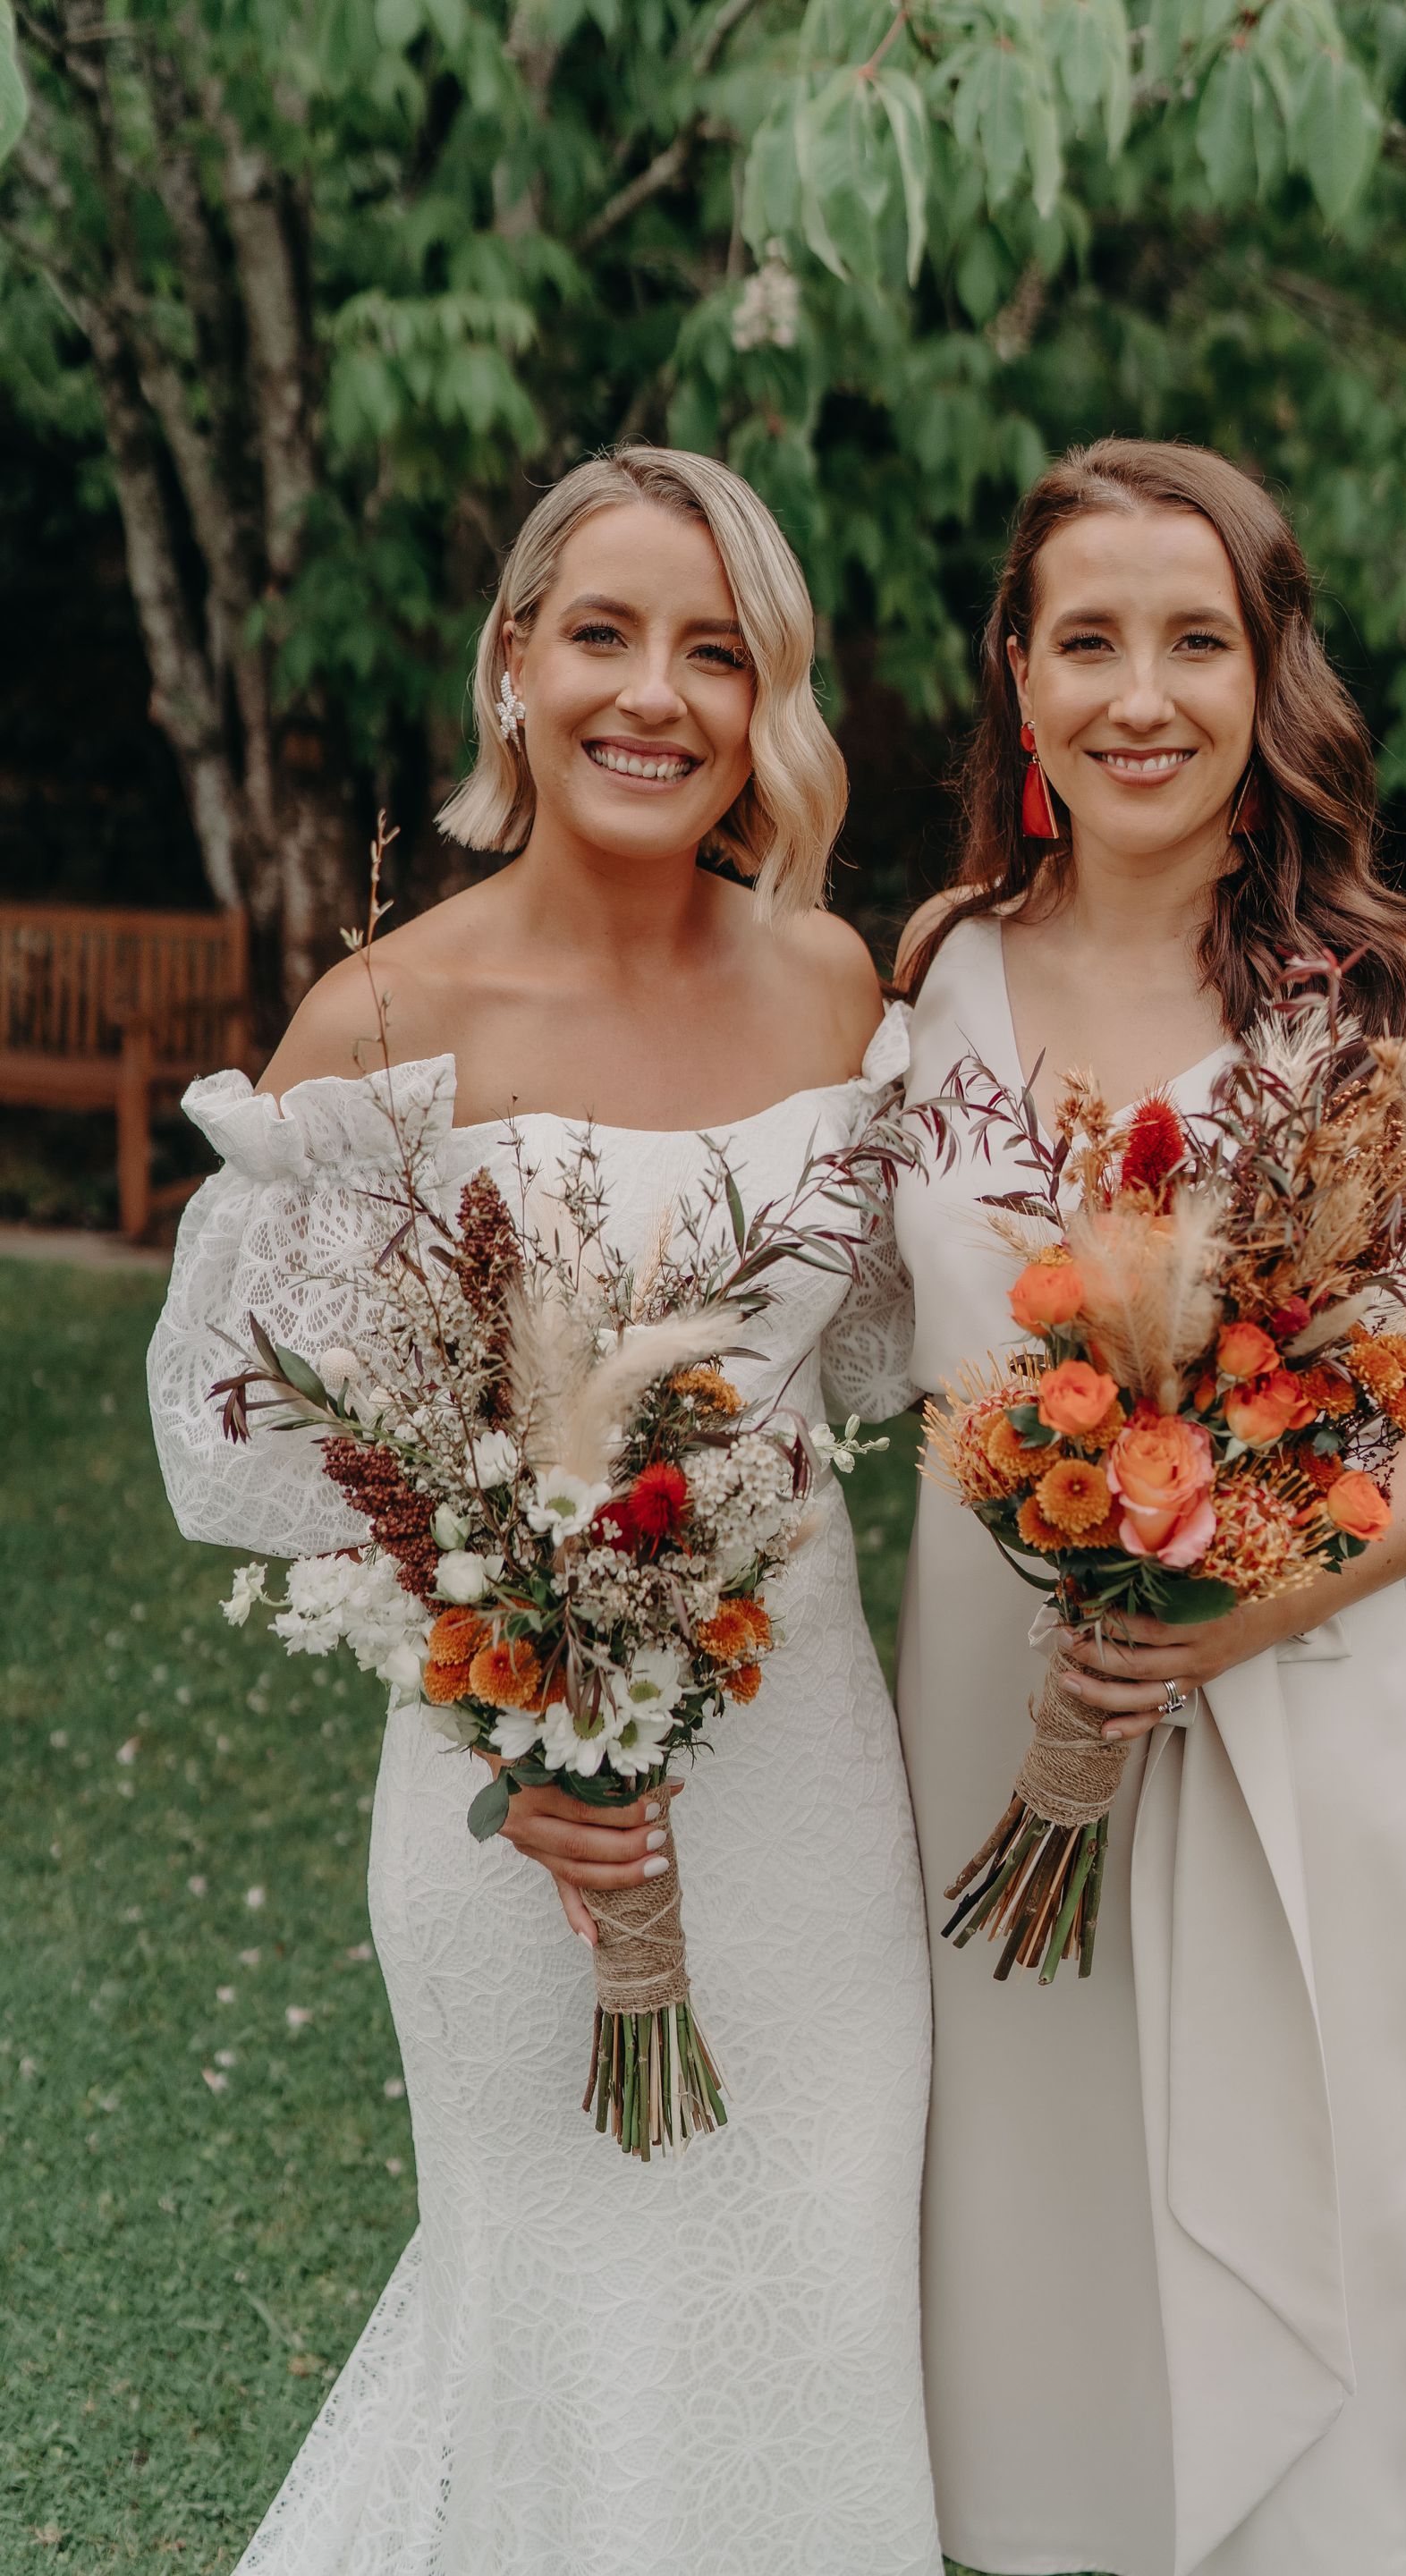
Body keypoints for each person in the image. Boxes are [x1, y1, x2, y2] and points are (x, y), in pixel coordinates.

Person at [147, 446, 942, 2576]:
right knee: (569, 2329)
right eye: (604, 632)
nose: (654, 695)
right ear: (515, 665)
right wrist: (534, 1739)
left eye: (717, 650)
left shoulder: (837, 991)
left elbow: (863, 1368)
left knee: (821, 2289)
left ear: (767, 701)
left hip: (806, 1790)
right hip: (510, 1814)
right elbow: (289, 1456)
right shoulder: (387, 1021)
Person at [884, 438, 1406, 2576]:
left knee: (1310, 2266)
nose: (1141, 694)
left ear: (1276, 676)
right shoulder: (933, 969)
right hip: (994, 1739)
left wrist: (1242, 1598)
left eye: (1201, 639)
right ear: (1016, 677)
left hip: (1293, 1716)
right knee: (1027, 2283)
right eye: (1088, 639)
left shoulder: (1395, 1001)